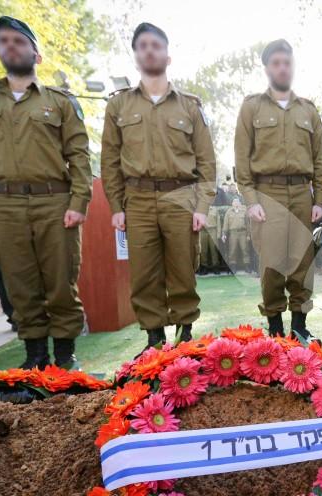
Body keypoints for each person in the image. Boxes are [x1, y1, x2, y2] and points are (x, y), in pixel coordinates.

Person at [0, 16, 91, 369]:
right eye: (3, 41)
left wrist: (79, 201)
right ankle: (35, 357)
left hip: (55, 201)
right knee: (19, 283)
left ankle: (65, 357)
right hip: (4, 203)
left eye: (18, 41)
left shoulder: (60, 102)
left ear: (36, 54)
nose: (10, 46)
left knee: (61, 281)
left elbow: (79, 155)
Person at [101, 23, 217, 351]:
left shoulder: (190, 106)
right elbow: (109, 161)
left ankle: (184, 338)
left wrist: (202, 206)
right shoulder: (119, 106)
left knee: (183, 269)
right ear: (137, 56)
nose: (149, 50)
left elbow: (206, 161)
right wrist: (116, 207)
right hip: (136, 199)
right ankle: (154, 342)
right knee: (143, 275)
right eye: (142, 46)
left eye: (156, 45)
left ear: (168, 56)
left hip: (181, 197)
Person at [234, 39, 322, 340]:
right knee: (272, 266)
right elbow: (242, 160)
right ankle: (274, 327)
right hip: (267, 194)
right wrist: (250, 200)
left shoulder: (308, 111)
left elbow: (319, 159)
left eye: (287, 62)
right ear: (267, 68)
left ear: (293, 66)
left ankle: (299, 326)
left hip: (302, 193)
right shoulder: (251, 108)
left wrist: (319, 199)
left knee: (302, 264)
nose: (282, 68)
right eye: (276, 63)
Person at [221, 197, 251, 272]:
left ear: (240, 203)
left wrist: (248, 235)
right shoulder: (229, 212)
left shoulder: (244, 211)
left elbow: (248, 224)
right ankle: (233, 266)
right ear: (232, 203)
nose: (236, 203)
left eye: (237, 202)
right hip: (233, 233)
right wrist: (224, 234)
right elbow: (225, 224)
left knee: (245, 249)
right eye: (234, 202)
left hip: (243, 233)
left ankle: (247, 266)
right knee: (232, 250)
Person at [199, 205, 222, 275]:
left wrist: (218, 234)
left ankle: (215, 267)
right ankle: (204, 267)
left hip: (213, 230)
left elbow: (218, 222)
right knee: (203, 250)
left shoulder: (215, 210)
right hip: (202, 231)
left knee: (214, 249)